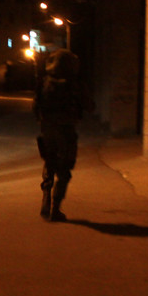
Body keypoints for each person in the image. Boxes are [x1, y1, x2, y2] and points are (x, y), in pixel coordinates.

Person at [33, 48, 93, 222]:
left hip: (47, 130)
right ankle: (56, 208)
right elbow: (89, 106)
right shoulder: (75, 84)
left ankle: (46, 197)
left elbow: (35, 106)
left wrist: (43, 121)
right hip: (67, 131)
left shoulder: (44, 82)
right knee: (65, 170)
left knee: (49, 162)